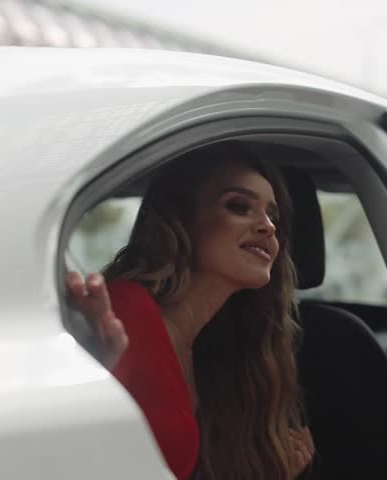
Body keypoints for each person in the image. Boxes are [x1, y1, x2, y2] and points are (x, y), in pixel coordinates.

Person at [66, 141, 314, 480]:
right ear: (183, 220)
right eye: (239, 206)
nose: (268, 227)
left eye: (273, 217)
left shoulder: (218, 351)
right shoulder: (124, 311)